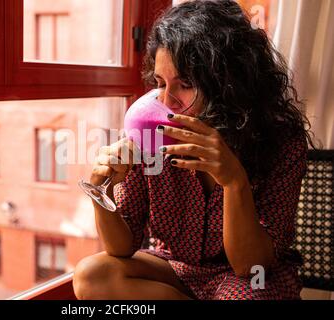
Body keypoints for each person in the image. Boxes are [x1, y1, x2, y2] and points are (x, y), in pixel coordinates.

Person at [72, 0, 317, 300]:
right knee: (91, 276)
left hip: (250, 277)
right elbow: (121, 248)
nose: (166, 100)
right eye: (160, 83)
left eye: (184, 84)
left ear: (229, 85)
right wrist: (101, 191)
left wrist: (234, 181)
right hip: (175, 269)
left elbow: (250, 265)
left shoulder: (281, 141)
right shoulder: (150, 131)